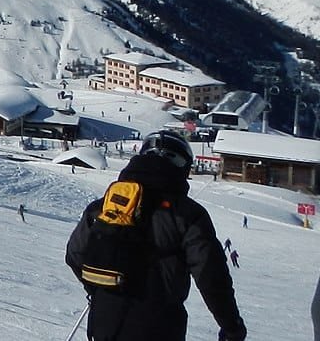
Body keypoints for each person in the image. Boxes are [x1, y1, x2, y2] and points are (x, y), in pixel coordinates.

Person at [65, 129, 245, 341]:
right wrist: (231, 326)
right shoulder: (187, 214)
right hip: (159, 325)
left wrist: (101, 288)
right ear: (182, 167)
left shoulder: (105, 206)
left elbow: (75, 255)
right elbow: (211, 275)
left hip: (105, 322)